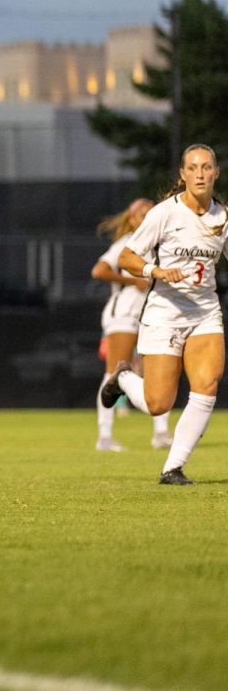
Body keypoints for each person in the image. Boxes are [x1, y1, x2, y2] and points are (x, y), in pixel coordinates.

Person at [100, 144, 227, 485]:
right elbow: (126, 257)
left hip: (204, 312)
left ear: (216, 173)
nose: (200, 173)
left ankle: (173, 467)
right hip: (164, 313)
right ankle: (123, 378)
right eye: (193, 167)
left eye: (206, 167)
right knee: (158, 403)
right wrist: (155, 271)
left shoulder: (223, 217)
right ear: (183, 175)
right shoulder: (164, 214)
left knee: (208, 383)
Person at [89, 198, 172, 451]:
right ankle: (104, 436)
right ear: (132, 219)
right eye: (141, 213)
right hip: (123, 312)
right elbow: (99, 271)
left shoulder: (161, 245)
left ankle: (161, 433)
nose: (146, 216)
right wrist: (131, 281)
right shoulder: (127, 243)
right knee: (115, 371)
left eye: (151, 212)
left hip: (151, 315)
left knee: (157, 373)